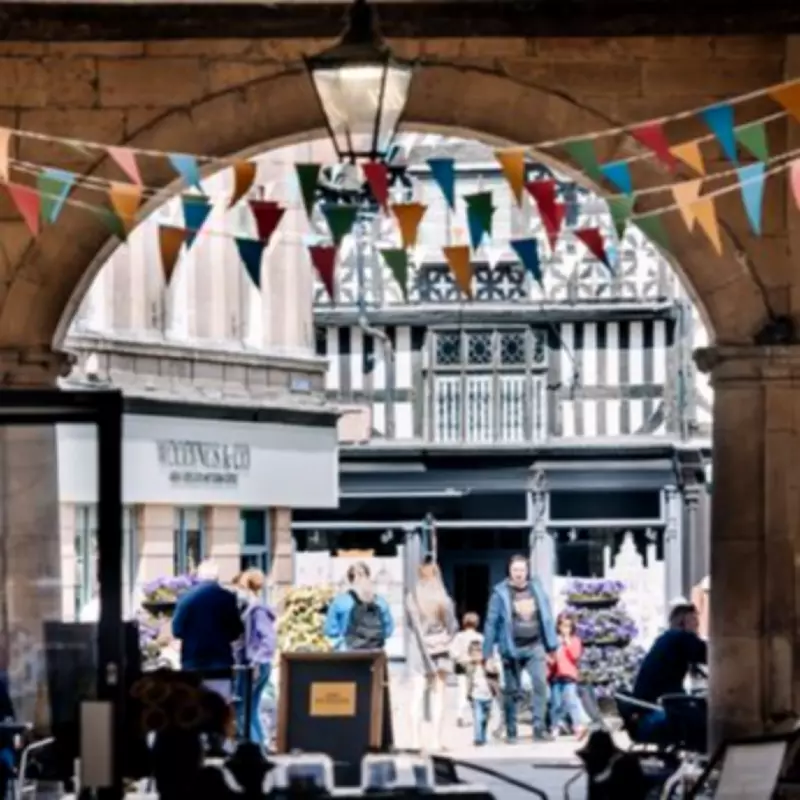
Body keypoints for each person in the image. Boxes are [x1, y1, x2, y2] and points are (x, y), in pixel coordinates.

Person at [482, 553, 558, 743]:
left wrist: (551, 646)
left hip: (535, 646)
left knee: (540, 686)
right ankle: (511, 730)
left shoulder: (537, 589)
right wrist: (487, 654)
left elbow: (547, 617)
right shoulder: (500, 593)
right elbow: (491, 623)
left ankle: (539, 728)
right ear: (509, 571)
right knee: (512, 691)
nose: (519, 573)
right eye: (515, 570)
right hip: (511, 648)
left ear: (527, 571)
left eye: (522, 570)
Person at [632, 603, 708, 752]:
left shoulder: (667, 639)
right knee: (707, 722)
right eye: (694, 620)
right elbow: (715, 655)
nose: (697, 625)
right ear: (683, 621)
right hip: (658, 711)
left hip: (647, 710)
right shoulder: (680, 638)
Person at [172, 560, 244, 703]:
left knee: (194, 707)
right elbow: (236, 630)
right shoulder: (227, 597)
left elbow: (177, 630)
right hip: (221, 662)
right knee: (220, 706)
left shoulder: (185, 598)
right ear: (217, 577)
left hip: (192, 662)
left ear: (198, 576)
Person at [406, 560, 458, 752]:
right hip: (440, 650)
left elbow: (413, 626)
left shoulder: (412, 598)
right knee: (438, 695)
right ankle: (435, 741)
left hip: (418, 650)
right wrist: (444, 638)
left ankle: (415, 741)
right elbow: (452, 626)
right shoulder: (444, 600)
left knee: (417, 695)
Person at [233, 568, 277, 747]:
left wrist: (256, 662)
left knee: (243, 711)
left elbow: (268, 640)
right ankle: (260, 748)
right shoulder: (253, 609)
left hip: (255, 665)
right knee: (249, 711)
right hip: (255, 664)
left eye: (239, 587)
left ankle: (255, 749)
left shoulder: (256, 610)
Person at [323, 562, 394, 651]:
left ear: (349, 579)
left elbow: (330, 631)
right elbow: (388, 632)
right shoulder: (380, 602)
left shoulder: (339, 601)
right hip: (375, 652)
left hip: (348, 652)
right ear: (368, 576)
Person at [549, 611, 590, 739]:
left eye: (568, 626)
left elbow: (575, 656)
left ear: (572, 627)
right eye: (562, 626)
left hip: (569, 676)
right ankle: (555, 726)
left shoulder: (575, 641)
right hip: (556, 676)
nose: (565, 629)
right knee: (556, 703)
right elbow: (552, 659)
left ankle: (578, 727)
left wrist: (568, 643)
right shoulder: (555, 641)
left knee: (571, 701)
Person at [449, 612, 483, 727]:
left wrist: (458, 658)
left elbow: (452, 651)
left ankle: (460, 715)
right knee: (475, 690)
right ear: (476, 623)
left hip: (461, 666)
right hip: (475, 666)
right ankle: (477, 714)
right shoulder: (480, 637)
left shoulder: (459, 636)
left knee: (462, 691)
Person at [464, 640, 500, 746]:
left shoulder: (488, 664)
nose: (476, 656)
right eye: (473, 654)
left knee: (485, 719)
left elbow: (496, 673)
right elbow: (468, 680)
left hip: (488, 696)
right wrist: (468, 694)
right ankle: (478, 738)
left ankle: (483, 735)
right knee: (478, 717)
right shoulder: (470, 667)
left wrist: (490, 663)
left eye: (478, 653)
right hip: (476, 697)